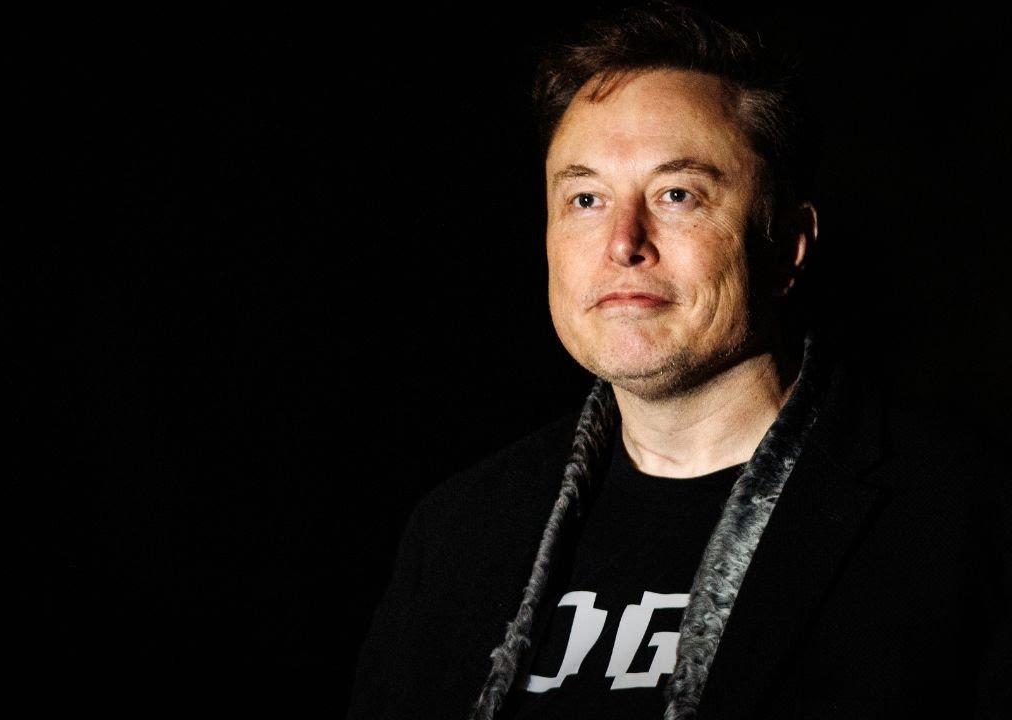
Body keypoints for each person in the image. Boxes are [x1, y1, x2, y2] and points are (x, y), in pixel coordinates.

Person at [345, 3, 1011, 719]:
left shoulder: (963, 521)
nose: (623, 242)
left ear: (788, 245)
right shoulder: (458, 532)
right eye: (586, 198)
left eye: (677, 194)